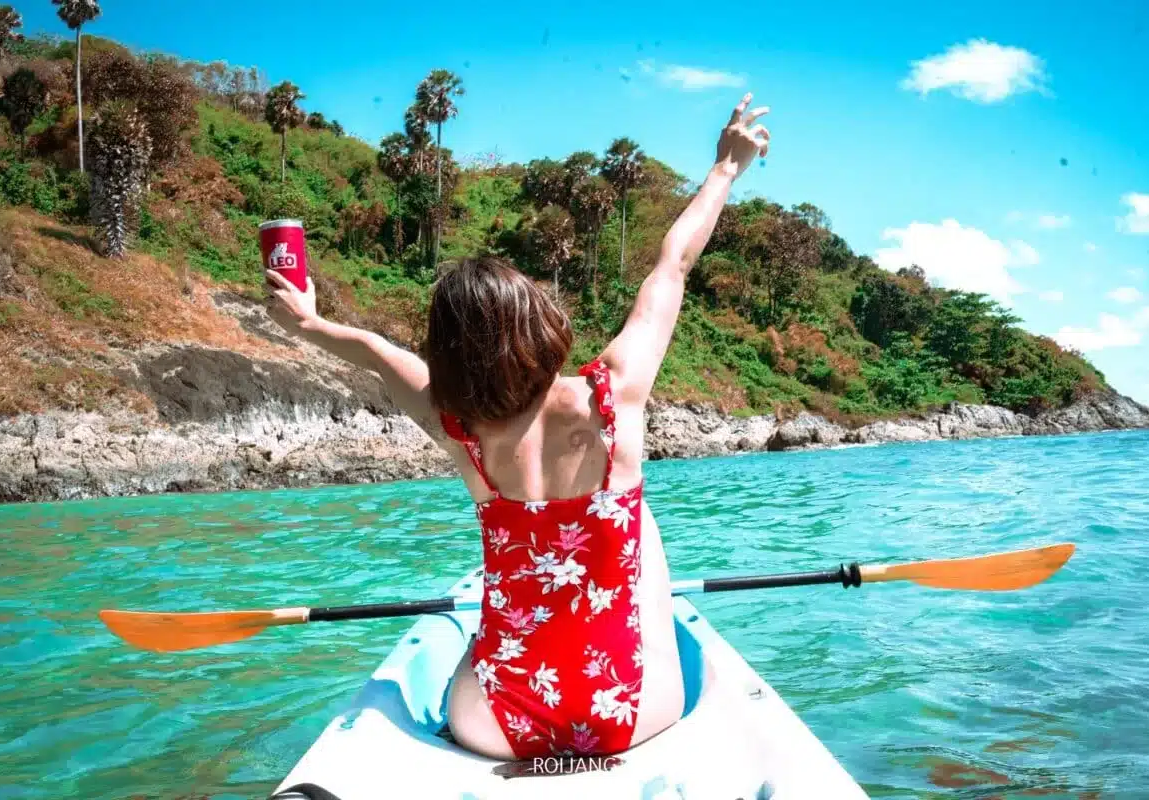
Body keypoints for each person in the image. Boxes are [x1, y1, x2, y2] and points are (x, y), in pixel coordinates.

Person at [265, 94, 770, 760]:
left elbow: (374, 350)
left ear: (446, 355)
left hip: (497, 725)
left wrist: (306, 322)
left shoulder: (459, 430)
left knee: (496, 631)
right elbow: (671, 265)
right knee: (637, 526)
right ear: (539, 323)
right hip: (631, 711)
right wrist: (725, 170)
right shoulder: (613, 395)